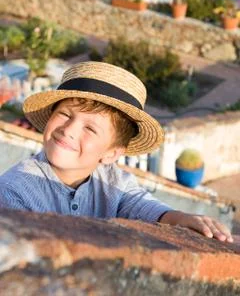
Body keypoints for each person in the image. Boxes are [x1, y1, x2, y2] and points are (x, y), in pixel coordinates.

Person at [0, 61, 233, 243]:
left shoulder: (113, 182)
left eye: (90, 128)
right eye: (65, 114)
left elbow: (143, 207)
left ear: (111, 154)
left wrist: (181, 219)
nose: (68, 130)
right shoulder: (14, 191)